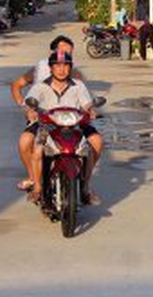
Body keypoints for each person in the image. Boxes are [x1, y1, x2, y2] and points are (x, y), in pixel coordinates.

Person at [20, 51, 104, 204]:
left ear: (70, 67)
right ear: (51, 68)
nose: (61, 69)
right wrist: (30, 111)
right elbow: (28, 104)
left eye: (66, 65)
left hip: (75, 125)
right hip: (48, 127)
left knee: (94, 145)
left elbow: (86, 104)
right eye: (57, 65)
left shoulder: (78, 85)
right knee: (38, 150)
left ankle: (86, 188)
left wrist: (91, 110)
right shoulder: (40, 86)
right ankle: (38, 187)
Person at [10, 36, 86, 195]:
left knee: (88, 147)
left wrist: (88, 111)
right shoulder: (39, 71)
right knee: (27, 143)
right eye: (62, 52)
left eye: (69, 55)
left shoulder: (76, 76)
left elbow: (84, 99)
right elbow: (17, 85)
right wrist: (25, 107)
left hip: (68, 120)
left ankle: (84, 187)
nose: (63, 65)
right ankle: (33, 179)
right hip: (43, 120)